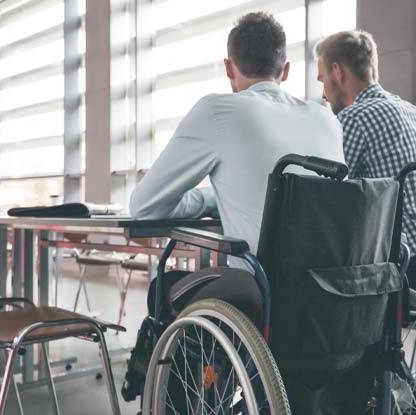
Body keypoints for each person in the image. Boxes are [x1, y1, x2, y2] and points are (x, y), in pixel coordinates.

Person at [121, 12, 345, 400]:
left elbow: (145, 205)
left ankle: (189, 395)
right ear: (286, 70)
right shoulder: (325, 118)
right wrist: (221, 196)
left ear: (229, 67)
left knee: (165, 286)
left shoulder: (219, 111)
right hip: (331, 292)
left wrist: (209, 196)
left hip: (265, 290)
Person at [314, 30, 416, 318]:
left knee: (321, 289)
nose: (323, 92)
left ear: (337, 72)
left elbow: (327, 195)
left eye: (322, 79)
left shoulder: (355, 117)